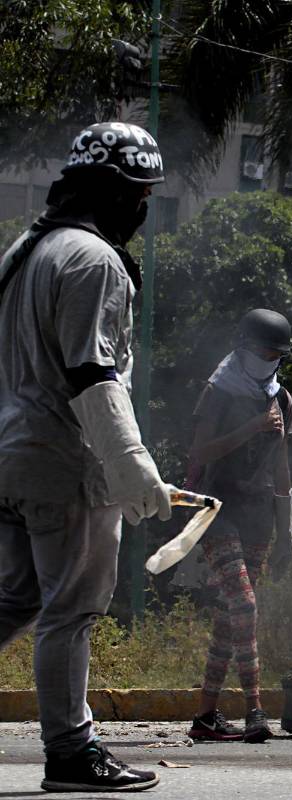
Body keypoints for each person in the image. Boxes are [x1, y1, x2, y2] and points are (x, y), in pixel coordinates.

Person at [0, 122, 170, 792]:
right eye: (138, 195)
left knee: (14, 597)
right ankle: (71, 753)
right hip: (65, 464)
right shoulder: (93, 261)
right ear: (110, 192)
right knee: (71, 609)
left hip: (11, 456)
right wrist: (131, 467)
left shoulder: (26, 250)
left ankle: (72, 748)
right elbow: (91, 374)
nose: (143, 210)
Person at [186, 309, 292, 744]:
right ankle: (254, 710)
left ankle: (206, 716)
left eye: (276, 354)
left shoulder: (281, 398)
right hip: (218, 512)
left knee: (230, 619)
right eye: (263, 351)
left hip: (258, 520)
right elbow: (199, 453)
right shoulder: (217, 391)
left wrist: (287, 533)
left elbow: (283, 468)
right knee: (245, 607)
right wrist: (251, 427)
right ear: (245, 348)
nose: (269, 360)